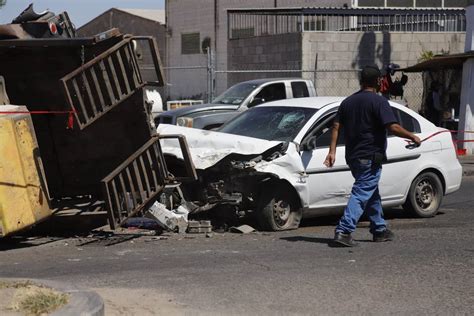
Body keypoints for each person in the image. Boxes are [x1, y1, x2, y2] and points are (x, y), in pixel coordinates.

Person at [323, 65, 421, 247]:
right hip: (370, 155)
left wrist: (332, 151)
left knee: (370, 191)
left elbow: (336, 126)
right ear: (378, 81)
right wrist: (412, 135)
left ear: (361, 81)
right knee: (362, 192)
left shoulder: (347, 102)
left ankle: (379, 229)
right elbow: (392, 127)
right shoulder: (379, 102)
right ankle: (344, 230)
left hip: (352, 156)